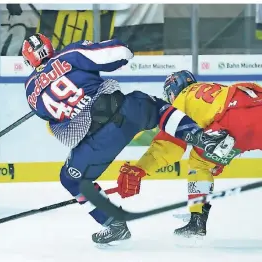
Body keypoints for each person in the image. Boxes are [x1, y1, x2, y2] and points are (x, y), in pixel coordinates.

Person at [21, 33, 236, 246]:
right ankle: (204, 139)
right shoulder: (69, 54)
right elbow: (119, 53)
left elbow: (54, 124)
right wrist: (124, 50)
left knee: (71, 178)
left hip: (96, 142)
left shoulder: (30, 91)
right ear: (50, 47)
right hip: (124, 113)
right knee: (156, 108)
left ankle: (113, 224)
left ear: (28, 61)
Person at [115, 70, 262, 238]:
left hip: (233, 120)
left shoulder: (183, 98)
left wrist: (140, 169)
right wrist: (218, 160)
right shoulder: (216, 88)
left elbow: (169, 145)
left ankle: (197, 221)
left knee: (199, 165)